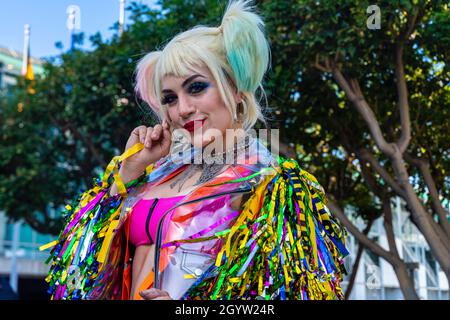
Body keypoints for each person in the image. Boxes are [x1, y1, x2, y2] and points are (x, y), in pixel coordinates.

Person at [43, 0, 349, 300]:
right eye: (170, 98)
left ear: (236, 90)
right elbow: (77, 277)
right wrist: (130, 171)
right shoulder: (155, 173)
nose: (183, 109)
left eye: (196, 87)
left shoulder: (275, 186)